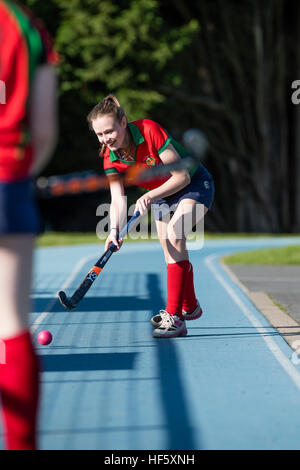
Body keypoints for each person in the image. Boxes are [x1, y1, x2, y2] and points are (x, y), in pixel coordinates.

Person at [87, 95, 214, 338]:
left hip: (194, 184)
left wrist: (149, 196)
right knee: (171, 254)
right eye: (100, 135)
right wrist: (114, 231)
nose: (106, 139)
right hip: (160, 196)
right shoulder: (109, 158)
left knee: (176, 235)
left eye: (110, 131)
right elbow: (117, 198)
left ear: (123, 122)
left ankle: (173, 317)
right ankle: (190, 307)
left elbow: (182, 177)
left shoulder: (148, 130)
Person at [0, 0, 58, 450]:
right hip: (7, 182)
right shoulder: (23, 26)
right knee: (11, 323)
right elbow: (42, 133)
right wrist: (21, 176)